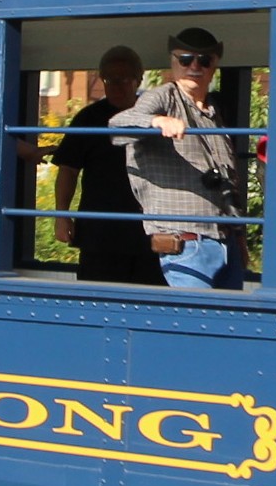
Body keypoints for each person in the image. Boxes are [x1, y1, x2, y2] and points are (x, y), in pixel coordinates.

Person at [117, 26, 246, 289]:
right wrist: (157, 121)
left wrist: (240, 238)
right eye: (186, 59)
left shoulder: (213, 111)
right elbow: (119, 125)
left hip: (226, 241)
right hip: (186, 242)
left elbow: (230, 177)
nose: (194, 66)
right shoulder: (163, 97)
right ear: (173, 61)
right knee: (197, 314)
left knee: (229, 315)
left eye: (204, 60)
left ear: (214, 65)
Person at [54, 45, 163, 285]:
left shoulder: (156, 118)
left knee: (151, 298)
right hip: (99, 232)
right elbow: (68, 169)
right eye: (109, 79)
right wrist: (61, 215)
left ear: (138, 80)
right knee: (96, 297)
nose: (115, 85)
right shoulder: (87, 119)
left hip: (148, 231)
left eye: (123, 79)